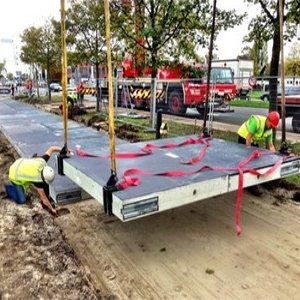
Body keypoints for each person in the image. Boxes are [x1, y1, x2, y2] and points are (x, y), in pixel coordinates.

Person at [8, 146, 62, 215]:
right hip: (14, 173)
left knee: (44, 185)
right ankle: (11, 190)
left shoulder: (42, 162)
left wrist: (64, 150)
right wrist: (52, 209)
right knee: (21, 199)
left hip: (20, 162)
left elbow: (52, 148)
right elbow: (44, 198)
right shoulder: (37, 179)